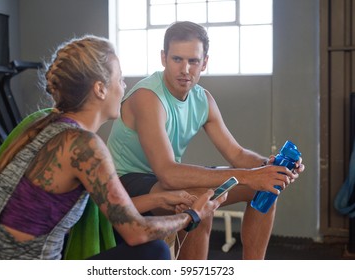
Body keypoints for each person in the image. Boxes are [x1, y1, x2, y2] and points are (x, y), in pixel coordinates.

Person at [0, 35, 226, 260]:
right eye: (120, 79)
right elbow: (135, 231)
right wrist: (193, 215)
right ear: (100, 89)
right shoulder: (84, 145)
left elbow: (110, 209)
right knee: (153, 250)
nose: (124, 87)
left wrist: (161, 198)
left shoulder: (46, 124)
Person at [107, 21, 305, 260]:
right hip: (126, 182)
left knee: (264, 188)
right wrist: (249, 175)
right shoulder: (148, 97)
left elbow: (237, 154)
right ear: (163, 58)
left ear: (204, 62)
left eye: (193, 61)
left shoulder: (203, 100)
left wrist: (269, 167)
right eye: (177, 59)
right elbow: (168, 172)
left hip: (163, 180)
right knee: (202, 201)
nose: (185, 69)